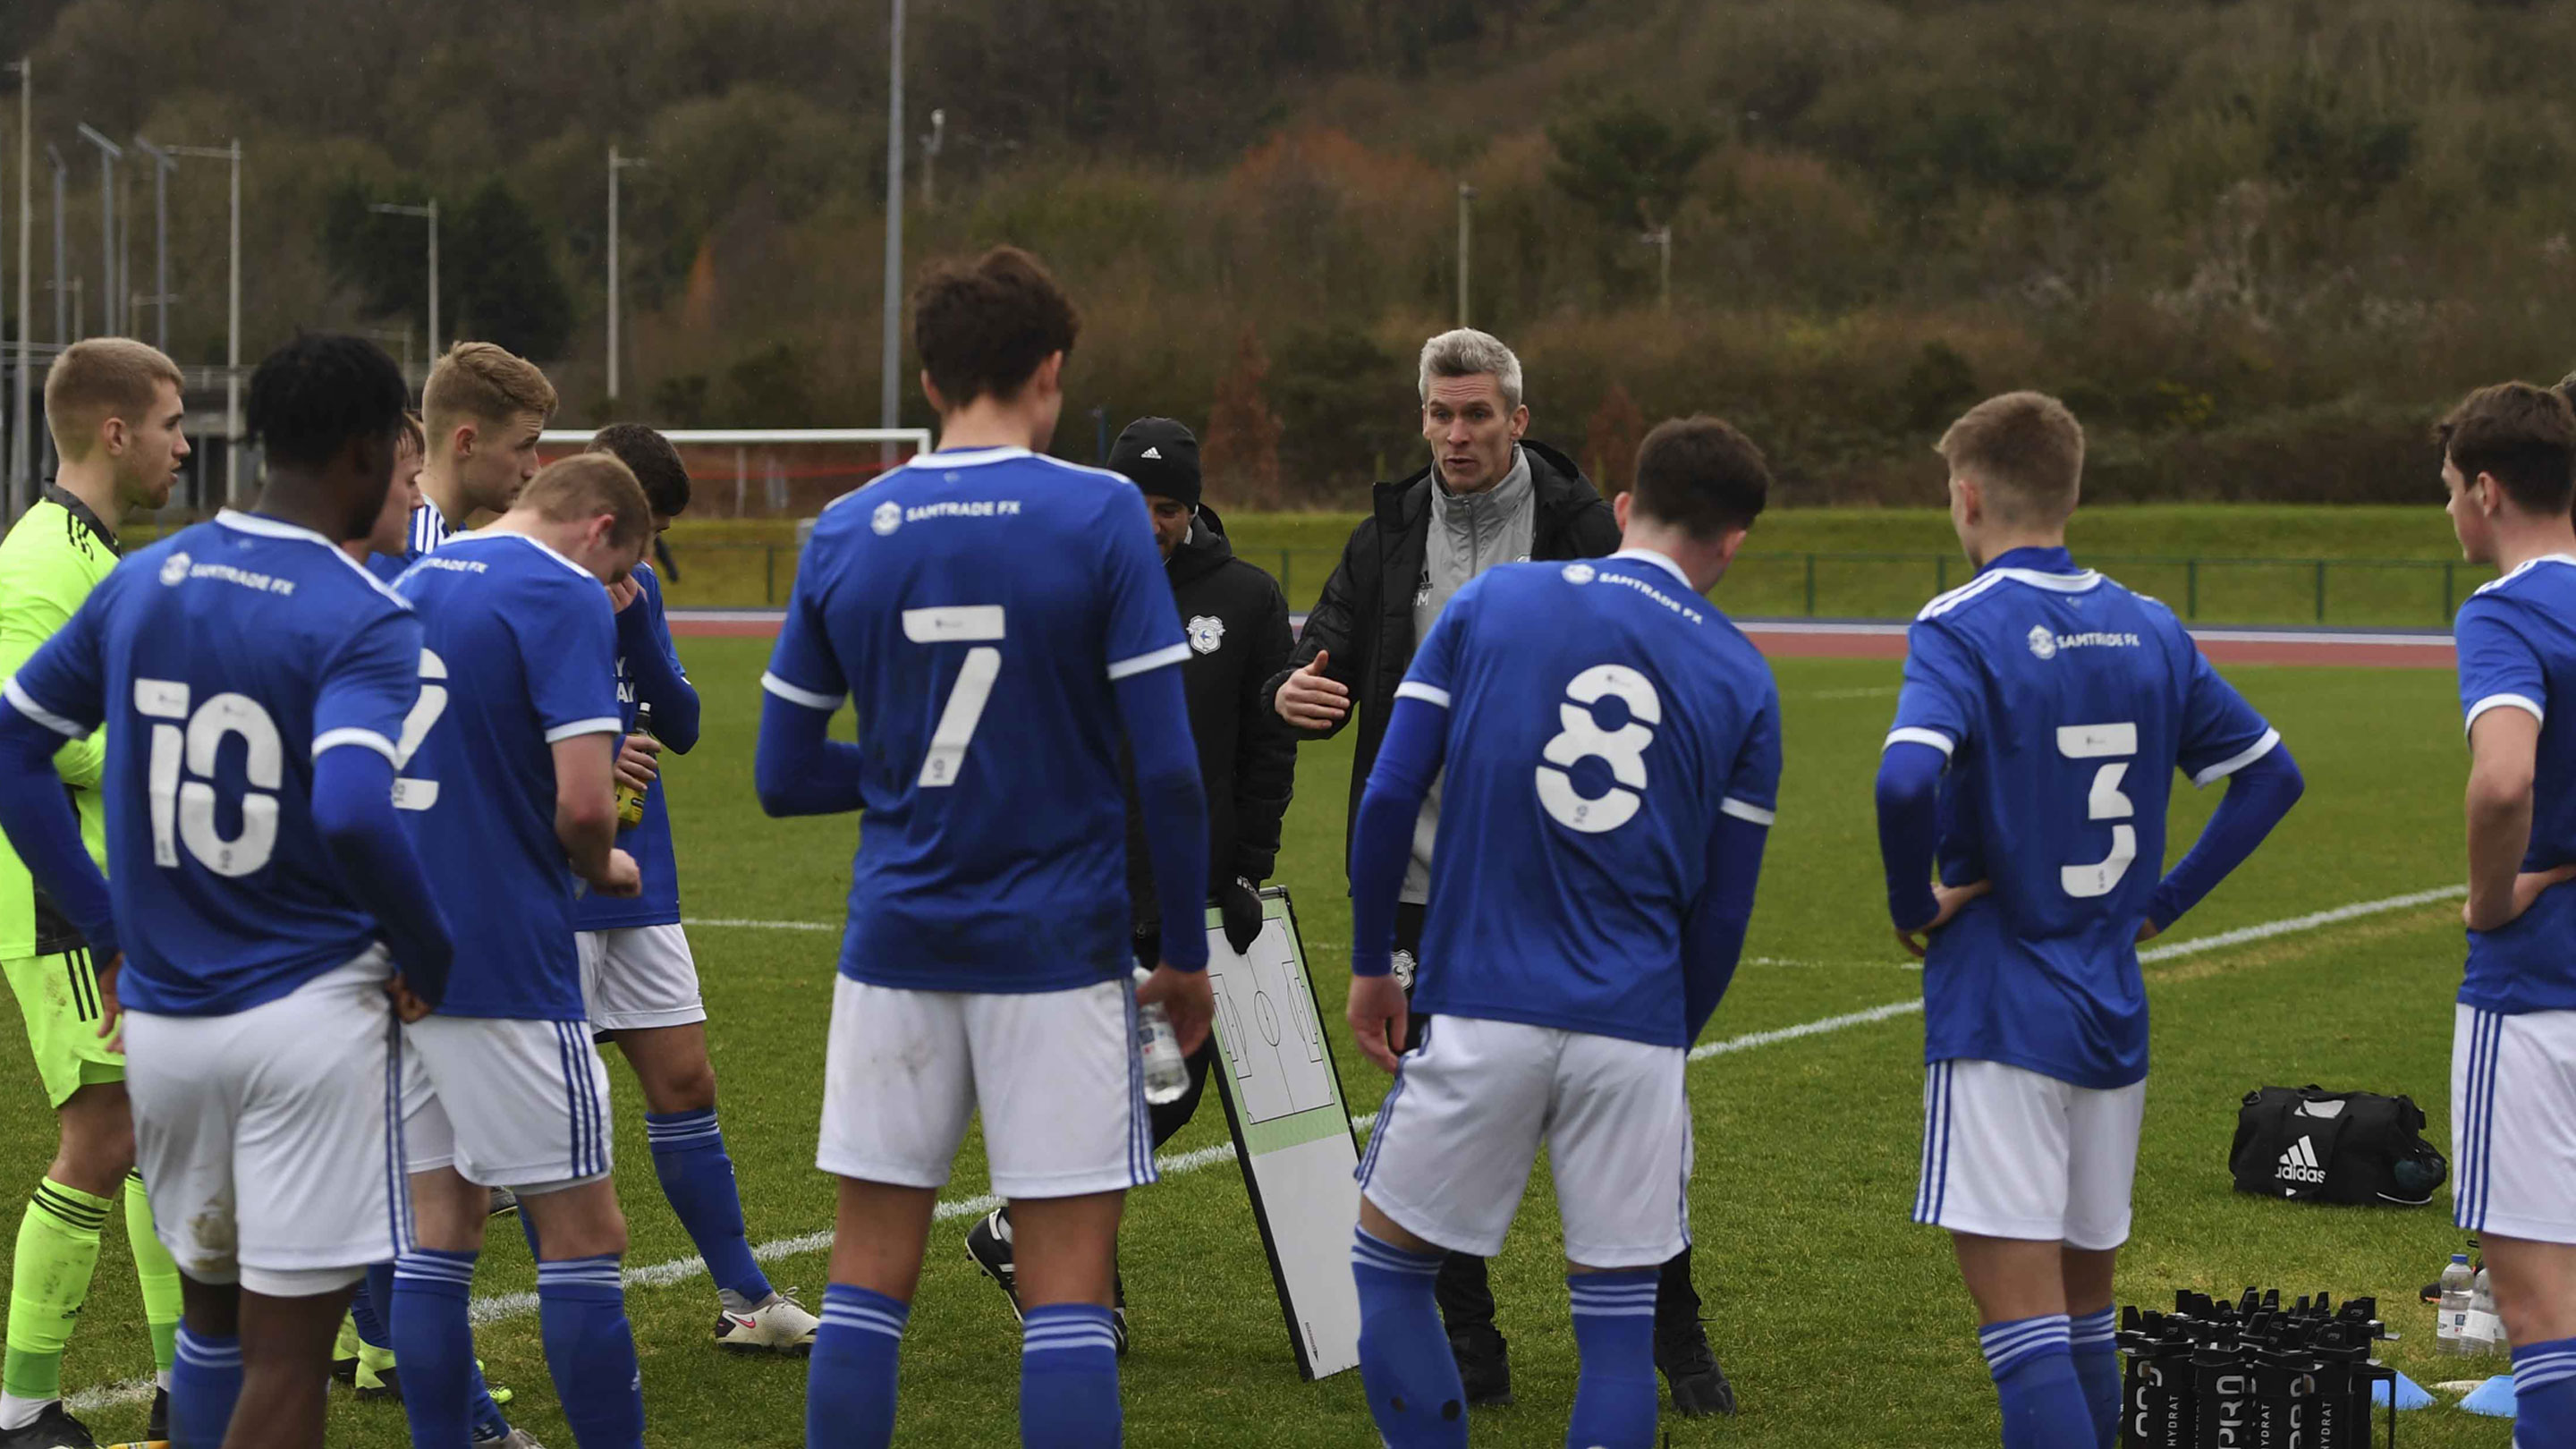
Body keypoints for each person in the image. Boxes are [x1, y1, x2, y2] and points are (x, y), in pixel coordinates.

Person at [755, 245, 1213, 1449]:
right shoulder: (1105, 511)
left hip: (896, 941)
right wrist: (1191, 957)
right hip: (1057, 948)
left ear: (927, 373)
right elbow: (1166, 766)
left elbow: (780, 773)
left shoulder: (846, 527)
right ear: (1051, 372)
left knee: (864, 1278)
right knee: (1065, 1284)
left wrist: (902, 774)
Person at [0, 331, 454, 1449]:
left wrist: (111, 926)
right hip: (302, 1015)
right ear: (364, 450)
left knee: (207, 1339)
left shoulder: (150, 577)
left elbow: (12, 740)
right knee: (287, 1356)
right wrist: (427, 952)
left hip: (167, 1010)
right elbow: (354, 806)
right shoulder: (362, 611)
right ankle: (27, 1402)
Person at [1267, 328, 1730, 1414]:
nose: (1457, 434)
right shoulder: (1388, 530)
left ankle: (1680, 1335)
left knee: (1627, 1122)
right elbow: (1320, 647)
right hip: (1431, 881)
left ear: (1519, 419)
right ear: (1421, 417)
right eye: (1441, 414)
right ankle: (1471, 1348)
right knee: (1436, 1127)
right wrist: (1285, 692)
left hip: (1570, 881)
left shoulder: (1581, 526)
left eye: (1479, 415)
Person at [1873, 392, 2304, 1448]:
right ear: (2071, 491)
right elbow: (2269, 777)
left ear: (1967, 497)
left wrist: (1909, 903)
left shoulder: (1959, 625)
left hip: (2001, 1007)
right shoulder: (2152, 625)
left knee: (2023, 1337)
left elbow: (1901, 782)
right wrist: (2159, 905)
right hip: (2112, 1005)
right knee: (2080, 1319)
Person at [1343, 416, 1781, 1449]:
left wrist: (1372, 964)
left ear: (1626, 510)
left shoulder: (1494, 600)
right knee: (1620, 1340)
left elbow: (1390, 794)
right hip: (1633, 1025)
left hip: (1481, 1007)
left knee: (1389, 1270)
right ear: (1733, 543)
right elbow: (1722, 914)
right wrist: (1673, 1034)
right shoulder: (1743, 677)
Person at [961, 417, 1295, 1352]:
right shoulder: (1062, 583)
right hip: (1073, 883)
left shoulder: (1246, 596)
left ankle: (1026, 1233)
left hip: (1180, 885)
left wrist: (1246, 866)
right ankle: (1075, 1284)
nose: (1150, 522)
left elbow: (1266, 749)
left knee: (1168, 1085)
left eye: (1169, 506)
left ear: (1192, 508)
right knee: (1081, 1086)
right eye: (1135, 503)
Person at [386, 455, 655, 1449]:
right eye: (624, 565)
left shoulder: (412, 577)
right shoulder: (561, 592)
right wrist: (608, 865)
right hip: (501, 951)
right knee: (586, 1239)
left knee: (436, 1234)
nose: (621, 591)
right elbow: (585, 802)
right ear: (598, 529)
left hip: (398, 955)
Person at [571, 423, 818, 1352]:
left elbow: (683, 721)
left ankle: (744, 1297)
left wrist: (635, 616)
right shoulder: (519, 583)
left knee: (684, 1080)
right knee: (519, 1127)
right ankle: (386, 1329)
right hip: (546, 881)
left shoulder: (643, 589)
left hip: (640, 881)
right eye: (642, 525)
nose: (647, 549)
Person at [0, 340, 191, 1449]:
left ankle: (181, 1380)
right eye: (171, 423)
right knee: (103, 1140)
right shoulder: (38, 561)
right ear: (114, 432)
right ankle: (23, 1405)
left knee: (152, 1136)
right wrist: (169, 738)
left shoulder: (93, 552)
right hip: (63, 903)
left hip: (108, 893)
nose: (182, 445)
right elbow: (31, 738)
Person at [2436, 381, 2576, 1445]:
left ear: (2486, 490)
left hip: (2531, 999)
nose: (2448, 511)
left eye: (2449, 489)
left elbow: (2499, 784)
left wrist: (2495, 897)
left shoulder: (2503, 612)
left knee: (2537, 1317)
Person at [369, 342, 555, 581]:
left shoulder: (445, 541)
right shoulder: (417, 558)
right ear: (467, 443)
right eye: (524, 446)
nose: (534, 469)